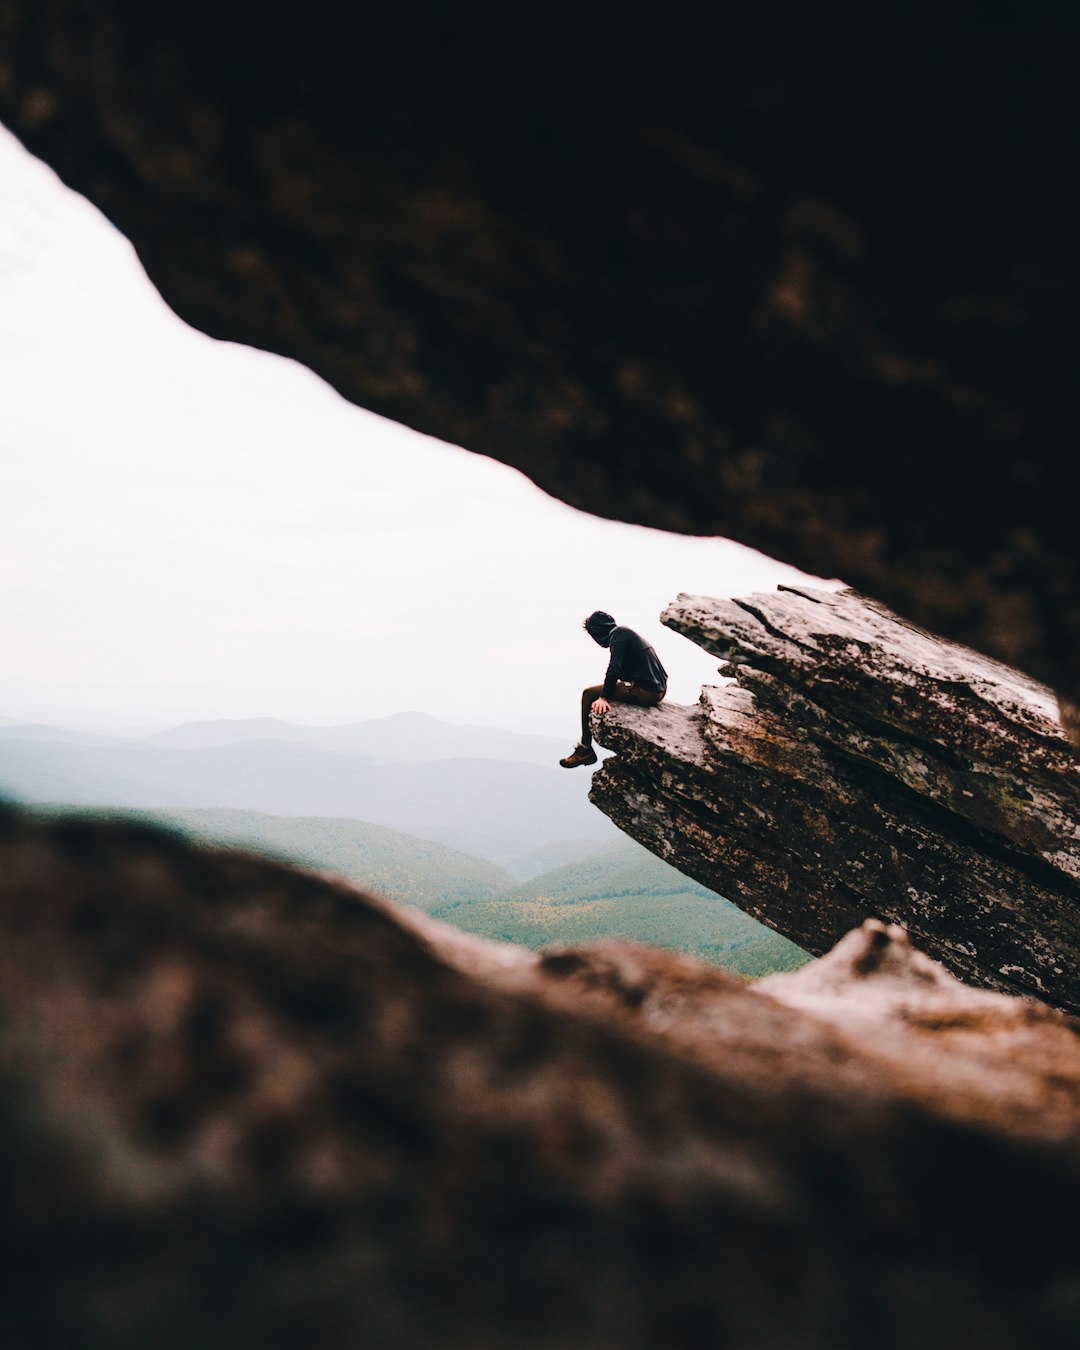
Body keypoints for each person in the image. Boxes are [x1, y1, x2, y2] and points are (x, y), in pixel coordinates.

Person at [559, 611, 668, 767]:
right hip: (658, 689)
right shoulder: (624, 633)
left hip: (647, 692)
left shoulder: (618, 635)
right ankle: (585, 749)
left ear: (597, 631)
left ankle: (585, 749)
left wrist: (604, 697)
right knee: (596, 690)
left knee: (588, 694)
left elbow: (614, 669)